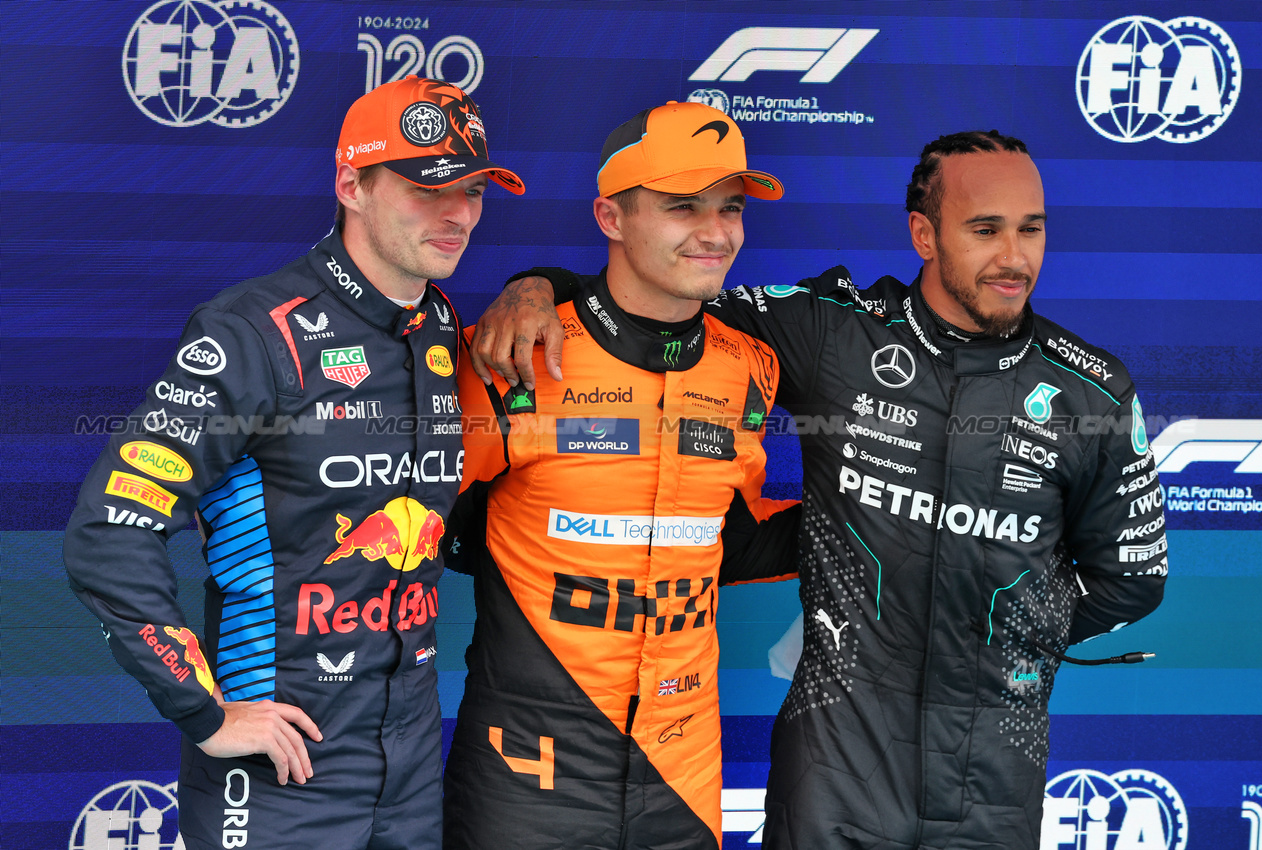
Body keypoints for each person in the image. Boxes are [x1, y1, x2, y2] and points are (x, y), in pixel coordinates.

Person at [473, 130, 1167, 849]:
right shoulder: (830, 330)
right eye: (984, 229)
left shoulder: (1091, 388)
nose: (1013, 256)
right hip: (832, 762)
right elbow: (656, 296)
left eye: (1031, 229)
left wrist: (998, 641)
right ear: (923, 234)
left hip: (993, 770)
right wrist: (537, 286)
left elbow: (1132, 581)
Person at [62, 76, 524, 850]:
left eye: (474, 189)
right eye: (427, 187)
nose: (459, 214)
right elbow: (110, 530)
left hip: (408, 760)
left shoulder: (439, 324)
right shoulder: (251, 333)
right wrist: (203, 713)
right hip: (283, 765)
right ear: (352, 184)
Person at [441, 101, 796, 850]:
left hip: (684, 770)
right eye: (681, 207)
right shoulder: (514, 353)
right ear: (610, 216)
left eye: (729, 208)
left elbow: (728, 535)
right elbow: (427, 527)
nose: (715, 232)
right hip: (526, 771)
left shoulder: (751, 367)